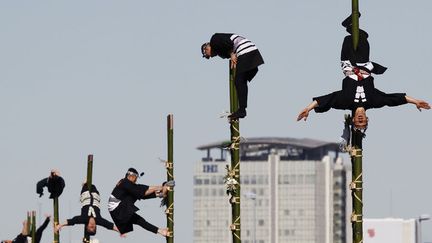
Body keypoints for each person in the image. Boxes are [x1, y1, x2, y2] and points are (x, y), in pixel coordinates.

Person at [297, 14, 430, 130]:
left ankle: (349, 25)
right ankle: (349, 24)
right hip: (364, 63)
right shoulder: (374, 101)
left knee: (350, 39)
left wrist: (308, 108)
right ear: (367, 119)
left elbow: (326, 100)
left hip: (348, 64)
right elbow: (394, 99)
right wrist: (416, 102)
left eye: (358, 122)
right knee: (364, 38)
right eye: (363, 122)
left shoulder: (344, 102)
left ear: (353, 120)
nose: (360, 120)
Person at [201, 33, 264, 119]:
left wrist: (231, 53)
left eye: (207, 53)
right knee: (242, 80)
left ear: (207, 47)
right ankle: (242, 109)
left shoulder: (214, 40)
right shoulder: (222, 52)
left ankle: (242, 110)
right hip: (252, 49)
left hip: (244, 50)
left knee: (238, 81)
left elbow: (228, 43)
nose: (210, 56)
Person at [108, 168, 169, 237]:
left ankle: (161, 231)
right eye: (136, 178)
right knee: (138, 192)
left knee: (140, 221)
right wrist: (160, 188)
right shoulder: (125, 182)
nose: (136, 180)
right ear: (131, 176)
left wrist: (160, 188)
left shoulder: (125, 183)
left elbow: (142, 189)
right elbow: (141, 194)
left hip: (118, 211)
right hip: (119, 210)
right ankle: (160, 193)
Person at [55, 184, 119, 238]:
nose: (92, 224)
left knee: (86, 184)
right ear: (95, 226)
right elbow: (110, 226)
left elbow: (71, 221)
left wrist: (60, 225)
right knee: (92, 186)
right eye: (93, 227)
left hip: (85, 195)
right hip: (95, 196)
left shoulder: (83, 219)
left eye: (90, 226)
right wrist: (120, 231)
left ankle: (84, 183)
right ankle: (86, 182)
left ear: (87, 225)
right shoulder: (99, 220)